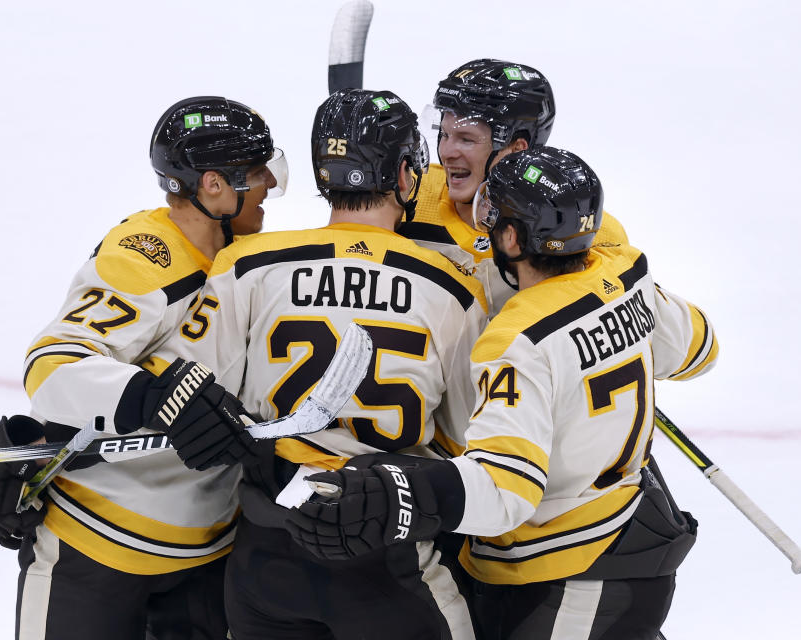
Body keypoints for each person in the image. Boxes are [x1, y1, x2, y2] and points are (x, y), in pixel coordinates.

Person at [288, 147, 718, 640]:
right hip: (630, 533)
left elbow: (506, 490)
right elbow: (700, 349)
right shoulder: (626, 272)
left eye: (493, 221)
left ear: (512, 239)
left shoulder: (518, 342)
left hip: (568, 567)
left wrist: (400, 490)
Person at [151, 88, 487, 639]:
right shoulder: (454, 287)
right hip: (388, 556)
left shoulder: (246, 263)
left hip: (265, 561)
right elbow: (466, 438)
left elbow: (183, 387)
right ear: (406, 175)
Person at [0, 96, 288, 639]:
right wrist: (153, 396)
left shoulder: (256, 257)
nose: (270, 186)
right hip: (96, 550)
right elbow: (54, 365)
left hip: (207, 557)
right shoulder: (145, 256)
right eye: (257, 173)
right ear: (213, 185)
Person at [400, 58, 629, 323]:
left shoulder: (583, 231)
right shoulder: (409, 197)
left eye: (466, 139)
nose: (447, 152)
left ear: (517, 149)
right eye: (445, 133)